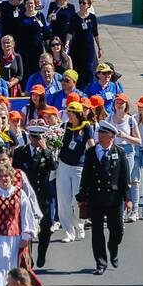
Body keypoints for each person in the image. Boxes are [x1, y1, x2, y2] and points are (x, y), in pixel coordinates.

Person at [77, 121, 131, 275]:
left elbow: (124, 177)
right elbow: (86, 175)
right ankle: (100, 263)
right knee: (97, 232)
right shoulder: (91, 152)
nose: (99, 135)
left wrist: (128, 199)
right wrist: (82, 196)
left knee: (117, 231)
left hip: (114, 199)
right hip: (96, 198)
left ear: (111, 137)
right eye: (99, 133)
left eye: (103, 133)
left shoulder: (119, 152)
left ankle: (113, 250)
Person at [10, 126, 56, 267]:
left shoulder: (46, 153)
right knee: (26, 228)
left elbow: (54, 166)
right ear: (30, 138)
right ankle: (27, 258)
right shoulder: (20, 152)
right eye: (35, 137)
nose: (37, 140)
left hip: (43, 196)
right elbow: (15, 172)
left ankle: (42, 253)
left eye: (40, 137)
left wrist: (46, 150)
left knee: (46, 228)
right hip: (26, 197)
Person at [55, 101, 93, 243]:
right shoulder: (64, 126)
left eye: (71, 113)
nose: (69, 115)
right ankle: (68, 232)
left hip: (79, 167)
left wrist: (95, 158)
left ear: (78, 114)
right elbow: (57, 141)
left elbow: (90, 144)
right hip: (64, 165)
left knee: (77, 200)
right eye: (68, 113)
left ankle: (79, 225)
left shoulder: (86, 127)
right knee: (64, 200)